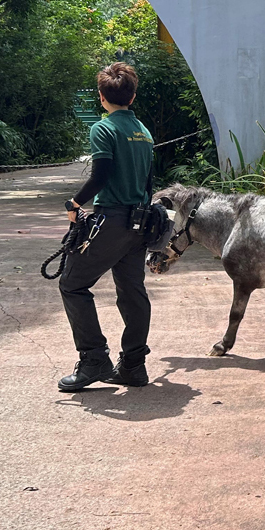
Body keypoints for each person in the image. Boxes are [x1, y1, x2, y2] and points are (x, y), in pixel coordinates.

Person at [57, 62, 156, 392]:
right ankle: (133, 366)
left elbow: (100, 176)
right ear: (133, 96)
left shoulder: (104, 128)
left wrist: (75, 203)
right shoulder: (143, 131)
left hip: (112, 219)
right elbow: (148, 181)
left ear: (102, 97)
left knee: (72, 284)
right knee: (132, 291)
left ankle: (94, 359)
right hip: (140, 222)